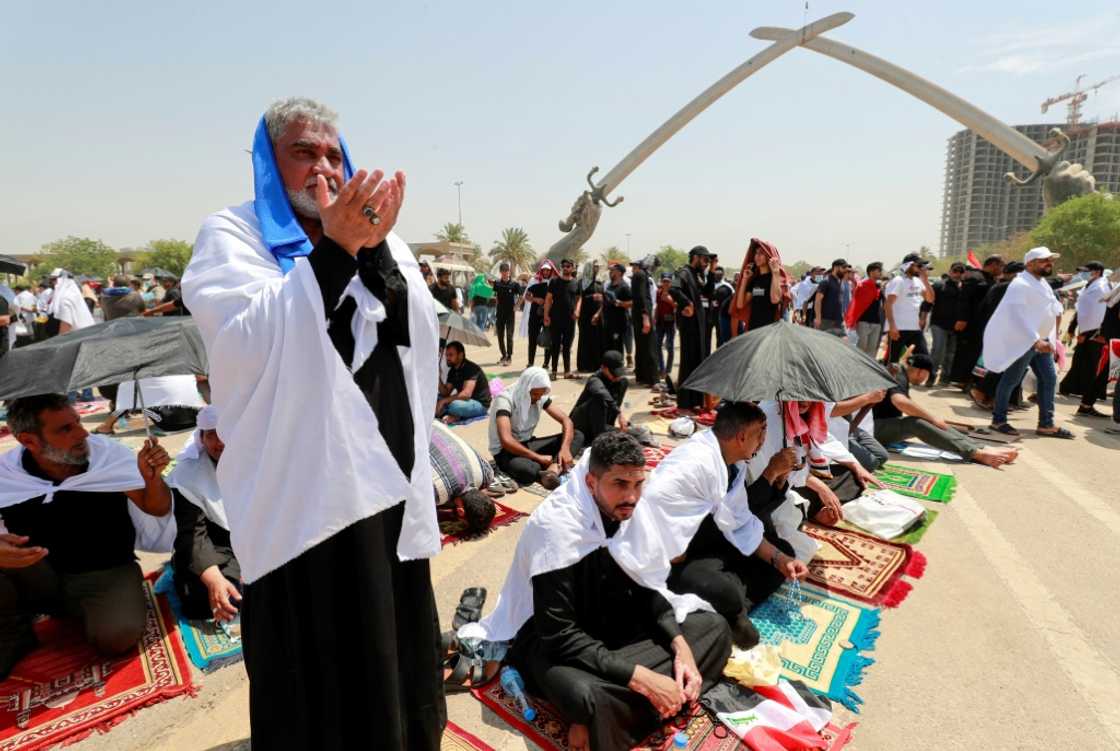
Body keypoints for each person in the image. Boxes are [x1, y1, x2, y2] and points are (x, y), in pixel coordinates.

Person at [182, 98, 445, 748]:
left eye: (333, 153)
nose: (322, 167)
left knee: (391, 636)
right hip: (301, 493)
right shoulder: (232, 234)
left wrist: (371, 252)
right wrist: (335, 250)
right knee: (316, 661)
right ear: (270, 162)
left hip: (383, 474)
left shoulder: (386, 238)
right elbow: (243, 345)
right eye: (303, 152)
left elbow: (417, 331)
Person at [472, 433, 731, 751]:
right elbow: (559, 634)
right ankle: (617, 707)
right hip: (555, 643)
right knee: (585, 696)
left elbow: (647, 589)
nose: (632, 496)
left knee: (715, 628)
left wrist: (681, 649)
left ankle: (623, 710)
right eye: (620, 483)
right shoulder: (555, 528)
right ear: (591, 482)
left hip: (614, 628)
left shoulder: (629, 511)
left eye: (638, 484)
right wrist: (643, 679)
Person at [611, 402, 809, 651]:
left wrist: (780, 559)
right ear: (742, 437)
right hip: (675, 557)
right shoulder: (697, 462)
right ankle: (727, 609)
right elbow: (654, 511)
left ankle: (724, 610)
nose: (763, 441)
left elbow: (741, 520)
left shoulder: (733, 463)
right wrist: (672, 550)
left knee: (782, 550)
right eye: (760, 433)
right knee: (721, 589)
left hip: (709, 542)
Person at [0, 394, 174, 677]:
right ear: (29, 441)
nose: (83, 434)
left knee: (118, 637)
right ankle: (14, 632)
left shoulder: (107, 456)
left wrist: (152, 479)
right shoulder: (7, 474)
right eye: (65, 429)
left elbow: (157, 508)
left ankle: (87, 609)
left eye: (78, 422)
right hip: (38, 575)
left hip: (105, 571)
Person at [982, 247, 1070, 439]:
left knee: (1049, 379)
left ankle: (1046, 424)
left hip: (1041, 342)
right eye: (1044, 260)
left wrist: (1051, 340)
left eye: (1050, 260)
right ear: (1030, 263)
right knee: (1011, 380)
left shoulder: (1042, 283)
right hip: (1026, 342)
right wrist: (1035, 340)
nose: (1049, 264)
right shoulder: (1020, 284)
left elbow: (1051, 311)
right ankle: (998, 420)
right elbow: (1017, 315)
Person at [873, 354, 1020, 466]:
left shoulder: (898, 372)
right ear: (921, 372)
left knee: (927, 419)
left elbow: (908, 404)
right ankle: (976, 453)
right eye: (927, 376)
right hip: (871, 430)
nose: (925, 380)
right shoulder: (898, 374)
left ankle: (981, 447)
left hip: (877, 425)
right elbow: (900, 402)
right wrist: (932, 418)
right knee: (916, 423)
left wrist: (933, 419)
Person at [165, 406, 241, 622]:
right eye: (211, 434)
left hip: (259, 545)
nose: (219, 442)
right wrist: (214, 578)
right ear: (201, 438)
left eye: (224, 432)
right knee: (217, 597)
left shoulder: (260, 463)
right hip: (216, 549)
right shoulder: (188, 477)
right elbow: (192, 534)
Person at [489, 367, 583, 488]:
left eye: (540, 395)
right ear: (526, 388)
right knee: (529, 471)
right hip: (506, 451)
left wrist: (565, 448)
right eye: (534, 394)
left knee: (576, 435)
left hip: (527, 444)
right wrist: (538, 457)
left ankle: (553, 470)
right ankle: (545, 470)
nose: (537, 398)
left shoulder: (540, 395)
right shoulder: (505, 400)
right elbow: (506, 440)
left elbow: (566, 421)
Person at [1059, 262, 1112, 416]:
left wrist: (1100, 333)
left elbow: (1102, 312)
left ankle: (1088, 395)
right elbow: (1082, 310)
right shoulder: (1089, 286)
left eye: (1087, 271)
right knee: (1082, 361)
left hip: (1096, 331)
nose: (1083, 274)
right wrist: (1075, 329)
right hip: (1086, 329)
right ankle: (1074, 389)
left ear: (1097, 272)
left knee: (1094, 364)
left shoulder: (1101, 287)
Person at [949, 255, 1004, 384]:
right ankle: (962, 380)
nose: (1002, 269)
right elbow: (964, 299)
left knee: (979, 352)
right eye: (1001, 265)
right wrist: (962, 319)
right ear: (993, 265)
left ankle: (973, 380)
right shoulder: (974, 277)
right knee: (968, 351)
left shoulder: (993, 280)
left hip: (985, 323)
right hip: (971, 323)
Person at [670, 246, 713, 410]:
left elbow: (708, 292)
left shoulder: (697, 275)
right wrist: (686, 303)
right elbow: (673, 289)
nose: (707, 263)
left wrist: (711, 272)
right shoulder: (683, 272)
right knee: (688, 362)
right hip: (689, 325)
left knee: (698, 361)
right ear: (695, 257)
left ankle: (696, 400)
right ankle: (685, 401)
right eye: (705, 259)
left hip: (699, 324)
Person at [730, 238, 788, 335]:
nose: (757, 256)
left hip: (769, 331)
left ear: (769, 256)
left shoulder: (775, 279)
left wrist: (775, 273)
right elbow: (740, 304)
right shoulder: (754, 280)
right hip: (753, 330)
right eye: (756, 253)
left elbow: (775, 299)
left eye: (761, 253)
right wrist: (744, 280)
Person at [569, 351, 630, 443]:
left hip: (601, 425)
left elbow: (615, 406)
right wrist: (619, 413)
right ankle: (600, 438)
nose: (617, 377)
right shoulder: (594, 380)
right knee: (599, 399)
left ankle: (604, 435)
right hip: (581, 426)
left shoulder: (622, 382)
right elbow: (602, 393)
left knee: (637, 432)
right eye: (614, 372)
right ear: (603, 368)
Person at [884, 254, 935, 363]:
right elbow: (888, 304)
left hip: (915, 328)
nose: (921, 269)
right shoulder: (898, 281)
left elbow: (930, 299)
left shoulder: (918, 281)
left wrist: (925, 280)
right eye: (919, 266)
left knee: (924, 360)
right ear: (908, 265)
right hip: (898, 328)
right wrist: (892, 326)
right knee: (892, 362)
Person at [927, 263, 966, 385]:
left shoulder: (965, 287)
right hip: (939, 323)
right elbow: (928, 302)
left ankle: (945, 378)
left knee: (951, 353)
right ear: (950, 271)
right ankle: (931, 376)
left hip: (956, 326)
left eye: (960, 272)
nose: (957, 274)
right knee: (938, 350)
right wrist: (922, 318)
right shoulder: (939, 285)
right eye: (955, 271)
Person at [437, 341, 491, 424]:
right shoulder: (453, 370)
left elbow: (466, 394)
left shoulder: (471, 368)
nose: (448, 358)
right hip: (464, 401)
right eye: (446, 355)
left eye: (451, 355)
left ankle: (453, 414)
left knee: (455, 405)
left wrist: (444, 401)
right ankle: (449, 413)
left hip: (479, 404)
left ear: (460, 355)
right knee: (436, 398)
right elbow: (445, 392)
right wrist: (438, 377)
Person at [544, 258, 578, 379]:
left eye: (568, 266)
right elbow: (548, 299)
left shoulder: (576, 283)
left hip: (570, 319)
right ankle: (554, 372)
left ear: (572, 268)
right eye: (563, 266)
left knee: (567, 346)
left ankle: (567, 372)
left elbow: (579, 299)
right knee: (555, 345)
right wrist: (546, 315)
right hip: (555, 319)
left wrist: (577, 311)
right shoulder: (554, 282)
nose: (565, 268)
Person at [846, 262, 885, 357]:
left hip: (876, 323)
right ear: (871, 272)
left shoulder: (879, 287)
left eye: (881, 270)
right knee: (861, 348)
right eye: (878, 271)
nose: (881, 273)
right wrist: (853, 321)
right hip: (863, 322)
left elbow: (883, 304)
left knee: (872, 350)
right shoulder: (862, 285)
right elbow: (856, 304)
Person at [629, 258, 658, 385]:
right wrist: (646, 317)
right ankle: (652, 379)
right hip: (643, 315)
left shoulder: (639, 275)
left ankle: (642, 376)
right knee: (649, 347)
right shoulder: (641, 275)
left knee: (641, 347)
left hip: (639, 315)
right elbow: (642, 297)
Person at [575, 261, 605, 374]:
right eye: (595, 267)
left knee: (597, 339)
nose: (597, 269)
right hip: (584, 316)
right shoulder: (581, 283)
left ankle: (597, 365)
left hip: (598, 316)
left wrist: (598, 313)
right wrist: (591, 297)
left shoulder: (600, 283)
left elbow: (604, 299)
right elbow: (578, 298)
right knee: (585, 339)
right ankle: (584, 365)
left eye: (598, 267)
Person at [525, 260, 556, 368]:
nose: (546, 272)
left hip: (549, 315)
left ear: (551, 271)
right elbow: (527, 296)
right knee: (532, 338)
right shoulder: (535, 281)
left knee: (548, 338)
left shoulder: (554, 283)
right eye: (544, 270)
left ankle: (546, 363)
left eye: (548, 270)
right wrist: (536, 299)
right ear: (541, 271)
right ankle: (530, 362)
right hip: (535, 314)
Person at [46, 269, 95, 336]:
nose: (51, 283)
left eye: (53, 280)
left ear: (61, 280)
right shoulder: (73, 294)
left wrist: (57, 340)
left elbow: (65, 329)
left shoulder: (65, 299)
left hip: (78, 337)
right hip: (87, 334)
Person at [493, 263, 522, 367]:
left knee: (509, 335)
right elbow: (496, 297)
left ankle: (509, 357)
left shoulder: (514, 284)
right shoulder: (497, 283)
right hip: (500, 313)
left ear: (509, 272)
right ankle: (503, 355)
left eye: (507, 271)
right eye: (503, 271)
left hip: (510, 314)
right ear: (500, 272)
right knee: (500, 336)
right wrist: (495, 310)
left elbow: (521, 296)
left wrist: (517, 306)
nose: (505, 273)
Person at [602, 263, 633, 356]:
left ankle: (619, 364)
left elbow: (632, 303)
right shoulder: (609, 285)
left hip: (618, 323)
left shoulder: (624, 287)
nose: (610, 272)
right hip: (608, 323)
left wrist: (621, 303)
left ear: (619, 272)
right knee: (607, 347)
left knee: (617, 348)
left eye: (613, 270)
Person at [813, 259, 850, 337]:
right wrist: (818, 317)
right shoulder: (825, 282)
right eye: (843, 268)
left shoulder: (840, 282)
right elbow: (818, 301)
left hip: (838, 321)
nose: (845, 271)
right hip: (826, 321)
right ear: (836, 267)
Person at [654, 273, 676, 379]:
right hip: (660, 322)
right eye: (664, 281)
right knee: (657, 345)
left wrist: (669, 301)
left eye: (668, 281)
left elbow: (677, 306)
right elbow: (657, 306)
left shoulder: (675, 293)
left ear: (671, 282)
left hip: (670, 322)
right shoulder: (658, 292)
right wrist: (655, 317)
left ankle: (668, 370)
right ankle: (661, 369)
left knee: (669, 346)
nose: (666, 283)